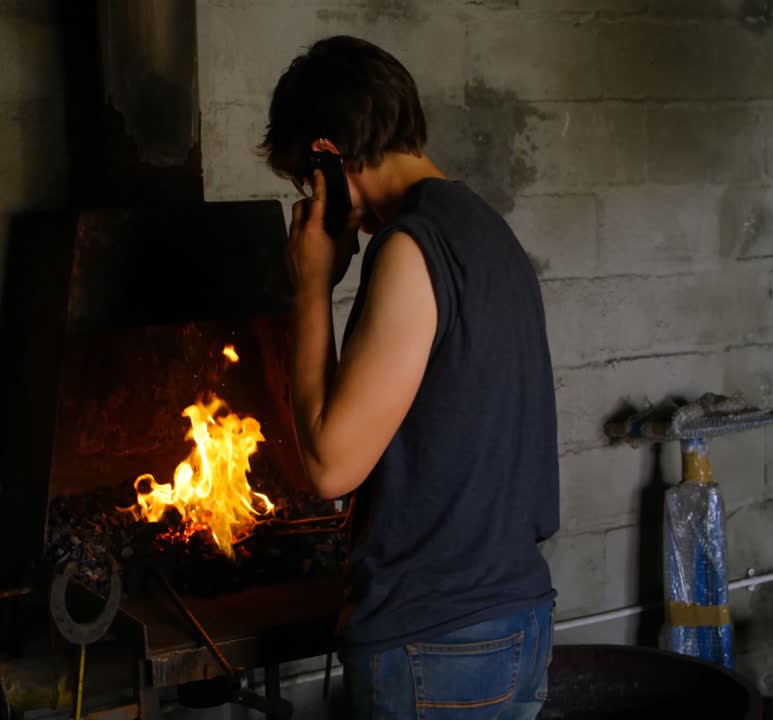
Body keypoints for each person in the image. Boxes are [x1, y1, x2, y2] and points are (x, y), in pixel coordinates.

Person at [259, 35, 560, 719]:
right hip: (517, 619)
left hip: (437, 641)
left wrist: (309, 289)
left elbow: (331, 467)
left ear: (329, 159)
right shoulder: (489, 233)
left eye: (308, 183)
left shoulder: (408, 249)